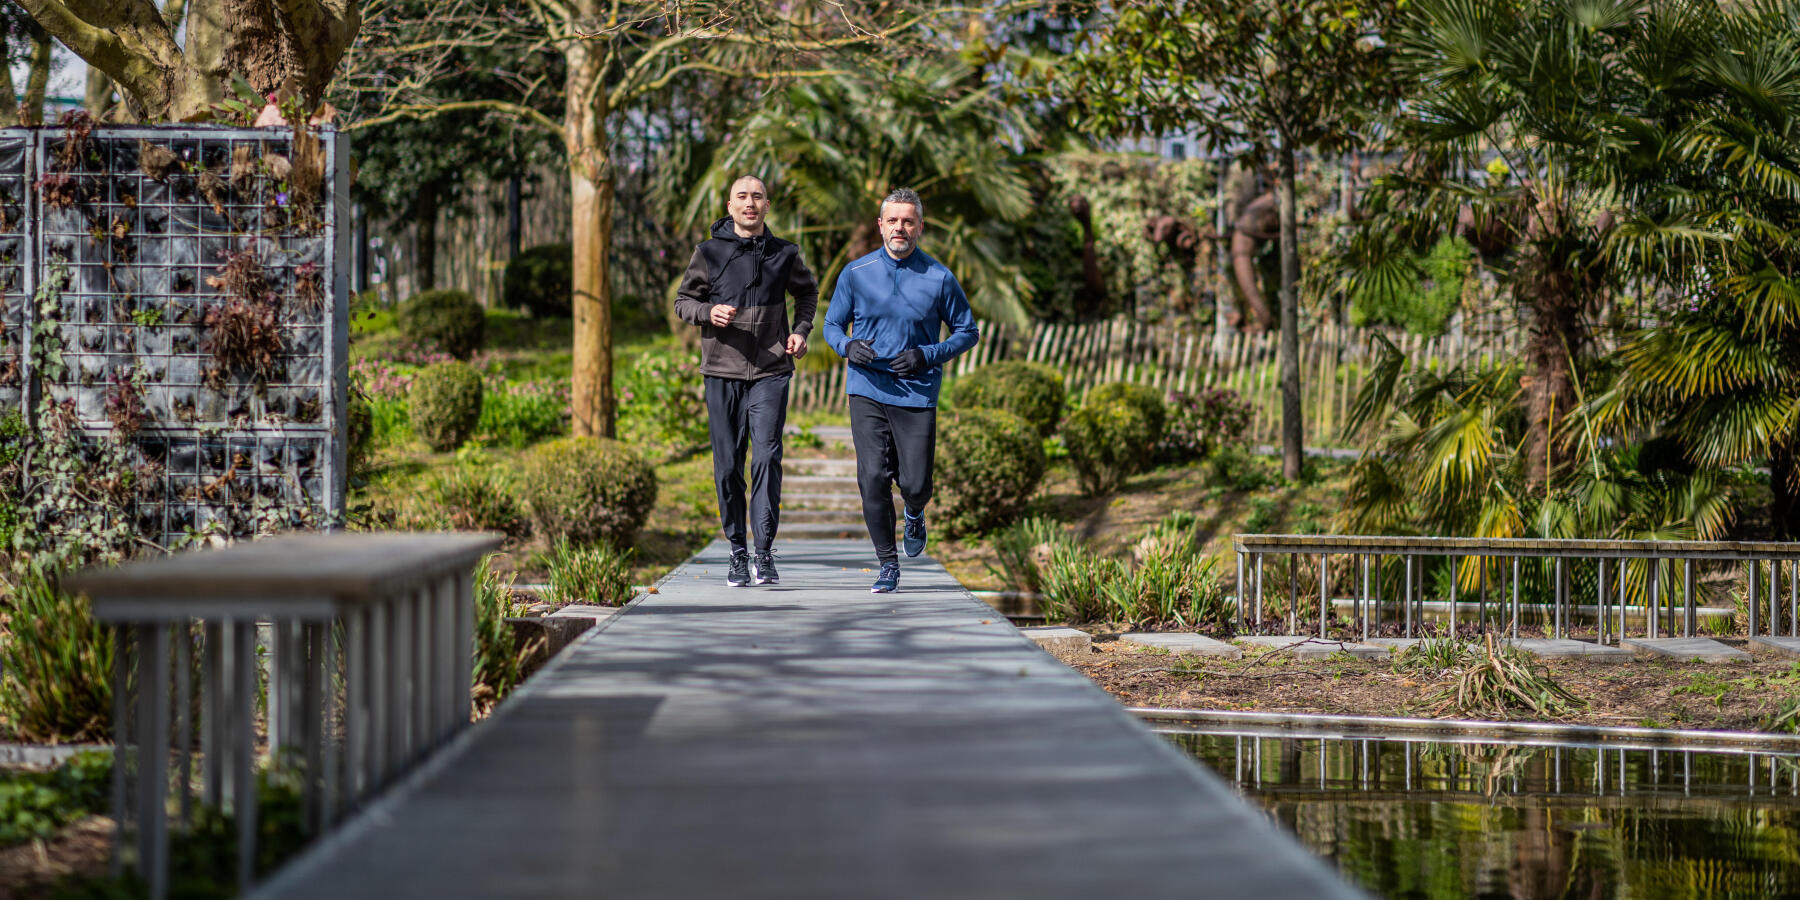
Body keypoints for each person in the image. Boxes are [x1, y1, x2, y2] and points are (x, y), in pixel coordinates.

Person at [823, 187, 979, 593]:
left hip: (917, 391)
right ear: (880, 225)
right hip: (867, 387)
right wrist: (847, 346)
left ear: (920, 227)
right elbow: (831, 326)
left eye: (908, 221)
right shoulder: (855, 273)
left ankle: (914, 511)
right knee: (872, 477)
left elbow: (968, 331)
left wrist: (927, 355)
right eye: (892, 220)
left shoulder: (940, 277)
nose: (900, 228)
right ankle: (887, 564)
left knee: (916, 483)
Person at [674, 175, 819, 587]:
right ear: (730, 204)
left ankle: (764, 552)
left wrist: (802, 330)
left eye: (757, 196)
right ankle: (737, 550)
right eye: (742, 196)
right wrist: (707, 313)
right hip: (722, 370)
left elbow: (807, 294)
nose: (750, 203)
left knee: (767, 458)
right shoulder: (709, 252)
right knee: (727, 465)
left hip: (772, 369)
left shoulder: (785, 253)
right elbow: (683, 300)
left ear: (767, 206)